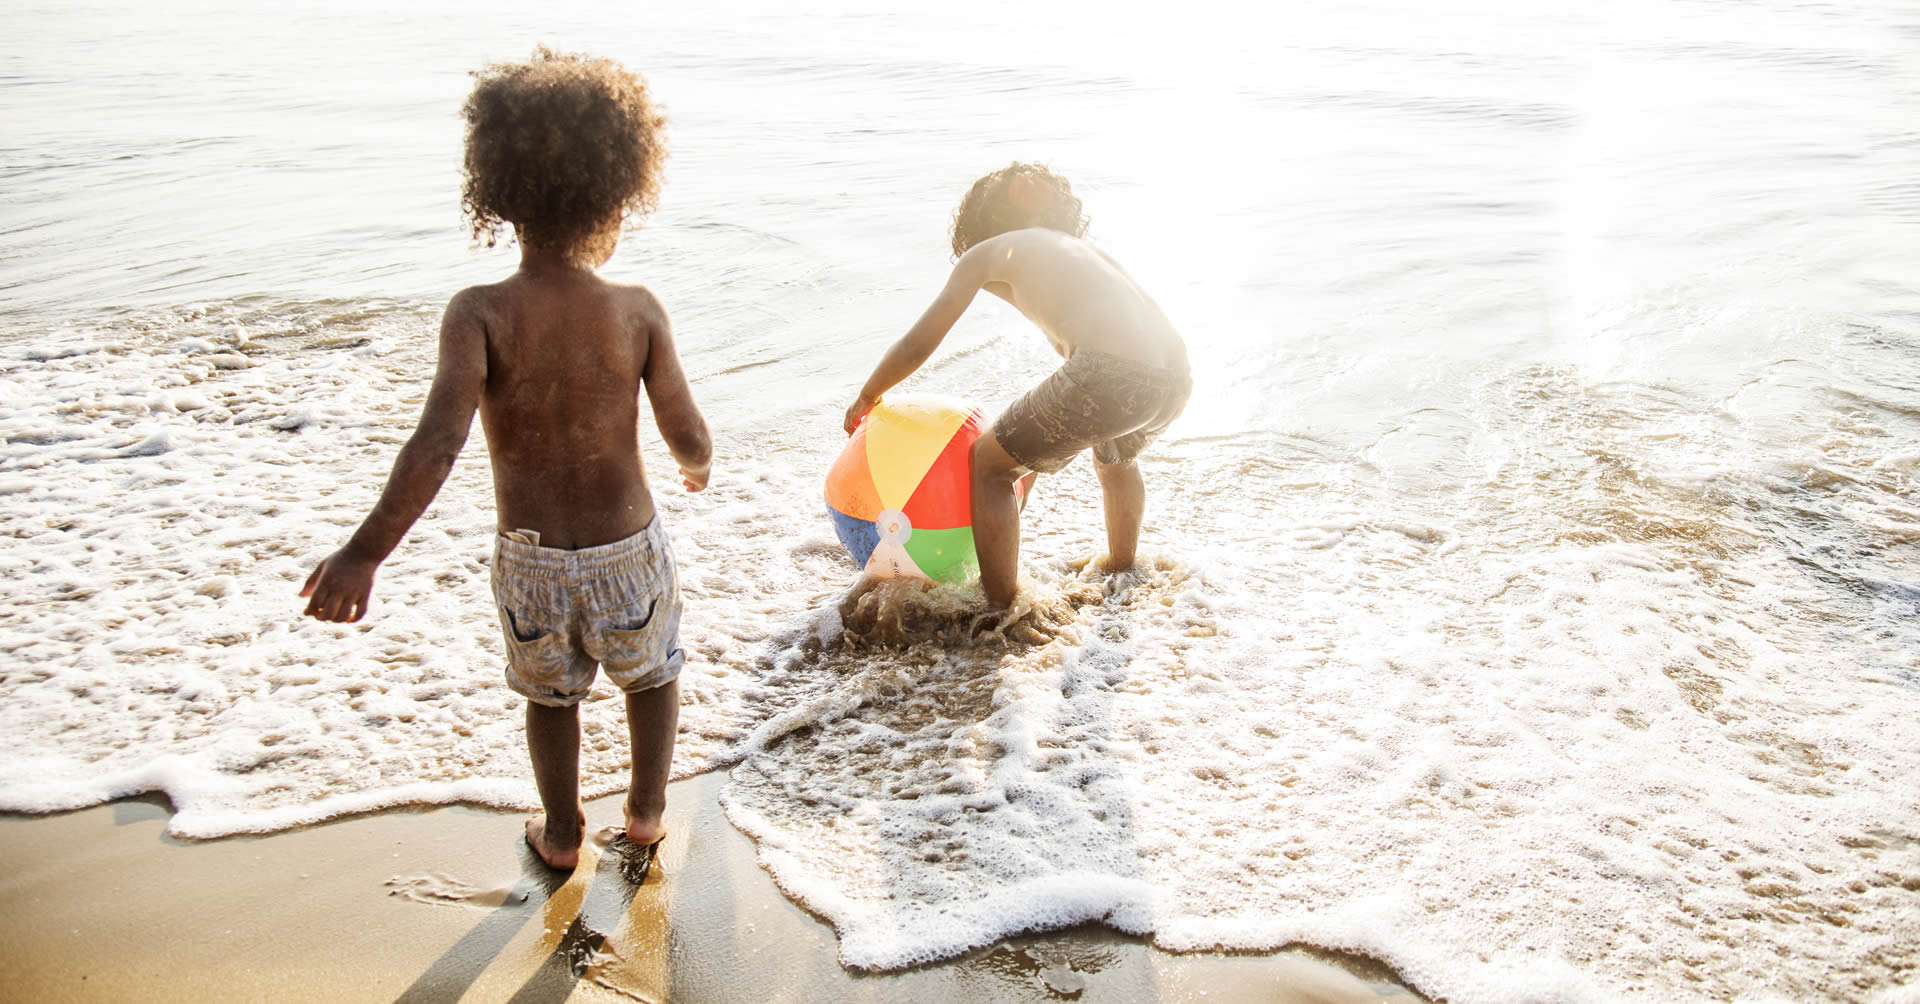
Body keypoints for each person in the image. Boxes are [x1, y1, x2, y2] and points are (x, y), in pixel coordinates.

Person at [300, 49, 710, 877]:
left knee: (551, 698)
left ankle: (562, 832)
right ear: (620, 191)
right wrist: (695, 464)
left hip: (529, 559)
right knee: (650, 678)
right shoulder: (637, 311)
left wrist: (364, 552)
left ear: (501, 196)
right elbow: (687, 432)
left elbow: (437, 445)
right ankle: (645, 814)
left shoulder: (478, 313)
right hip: (629, 550)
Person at [844, 162, 1190, 610]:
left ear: (979, 224)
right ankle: (1122, 568)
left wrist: (869, 393)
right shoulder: (1083, 251)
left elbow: (919, 341)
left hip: (1112, 374)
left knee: (989, 464)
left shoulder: (986, 254)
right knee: (1116, 458)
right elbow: (1086, 338)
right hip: (1175, 379)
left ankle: (1001, 608)